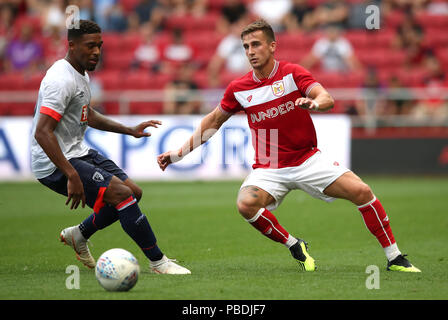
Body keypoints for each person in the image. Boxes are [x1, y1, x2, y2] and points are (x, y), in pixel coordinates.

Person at [157, 19, 420, 273]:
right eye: (246, 47)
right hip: (269, 167)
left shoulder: (293, 74)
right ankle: (294, 245)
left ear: (272, 46)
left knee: (361, 192)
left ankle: (394, 257)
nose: (251, 51)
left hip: (307, 160)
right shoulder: (238, 88)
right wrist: (178, 154)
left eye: (256, 45)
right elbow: (212, 122)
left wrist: (314, 104)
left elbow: (325, 97)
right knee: (245, 204)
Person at [30, 19, 190, 275]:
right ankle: (158, 262)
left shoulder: (81, 72)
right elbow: (42, 132)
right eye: (90, 46)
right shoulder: (59, 80)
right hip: (53, 162)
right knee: (120, 195)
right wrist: (71, 174)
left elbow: (87, 114)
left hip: (77, 150)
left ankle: (79, 235)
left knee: (133, 192)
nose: (97, 51)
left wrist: (129, 129)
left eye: (100, 46)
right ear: (71, 45)